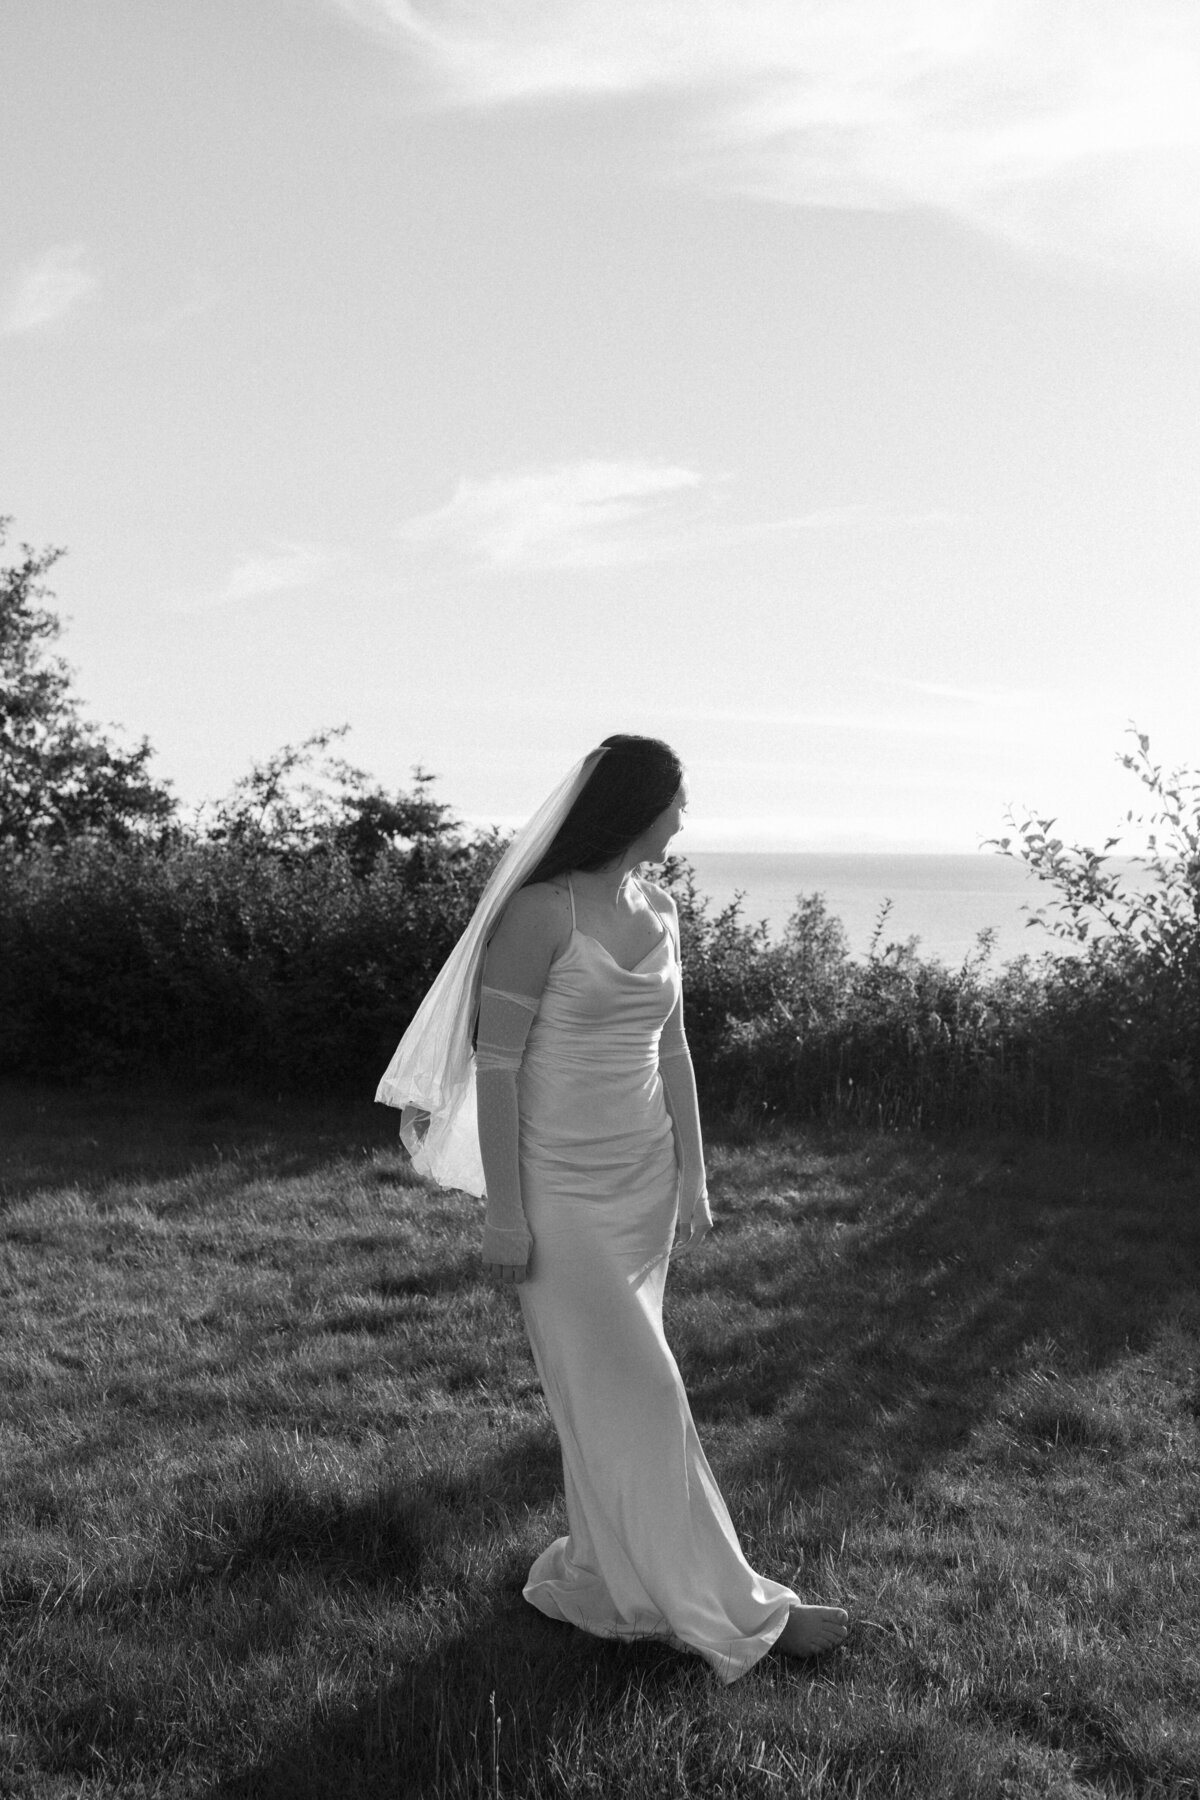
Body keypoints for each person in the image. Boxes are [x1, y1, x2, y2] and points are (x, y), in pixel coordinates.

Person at [378, 736, 848, 1681]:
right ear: (637, 808)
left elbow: (672, 1051)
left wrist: (697, 1177)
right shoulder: (539, 913)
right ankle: (740, 1609)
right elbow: (499, 1067)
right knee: (645, 1392)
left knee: (603, 1399)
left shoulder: (663, 908)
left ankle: (613, 1581)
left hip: (643, 1180)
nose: (685, 819)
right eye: (678, 802)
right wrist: (505, 1213)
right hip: (560, 1191)